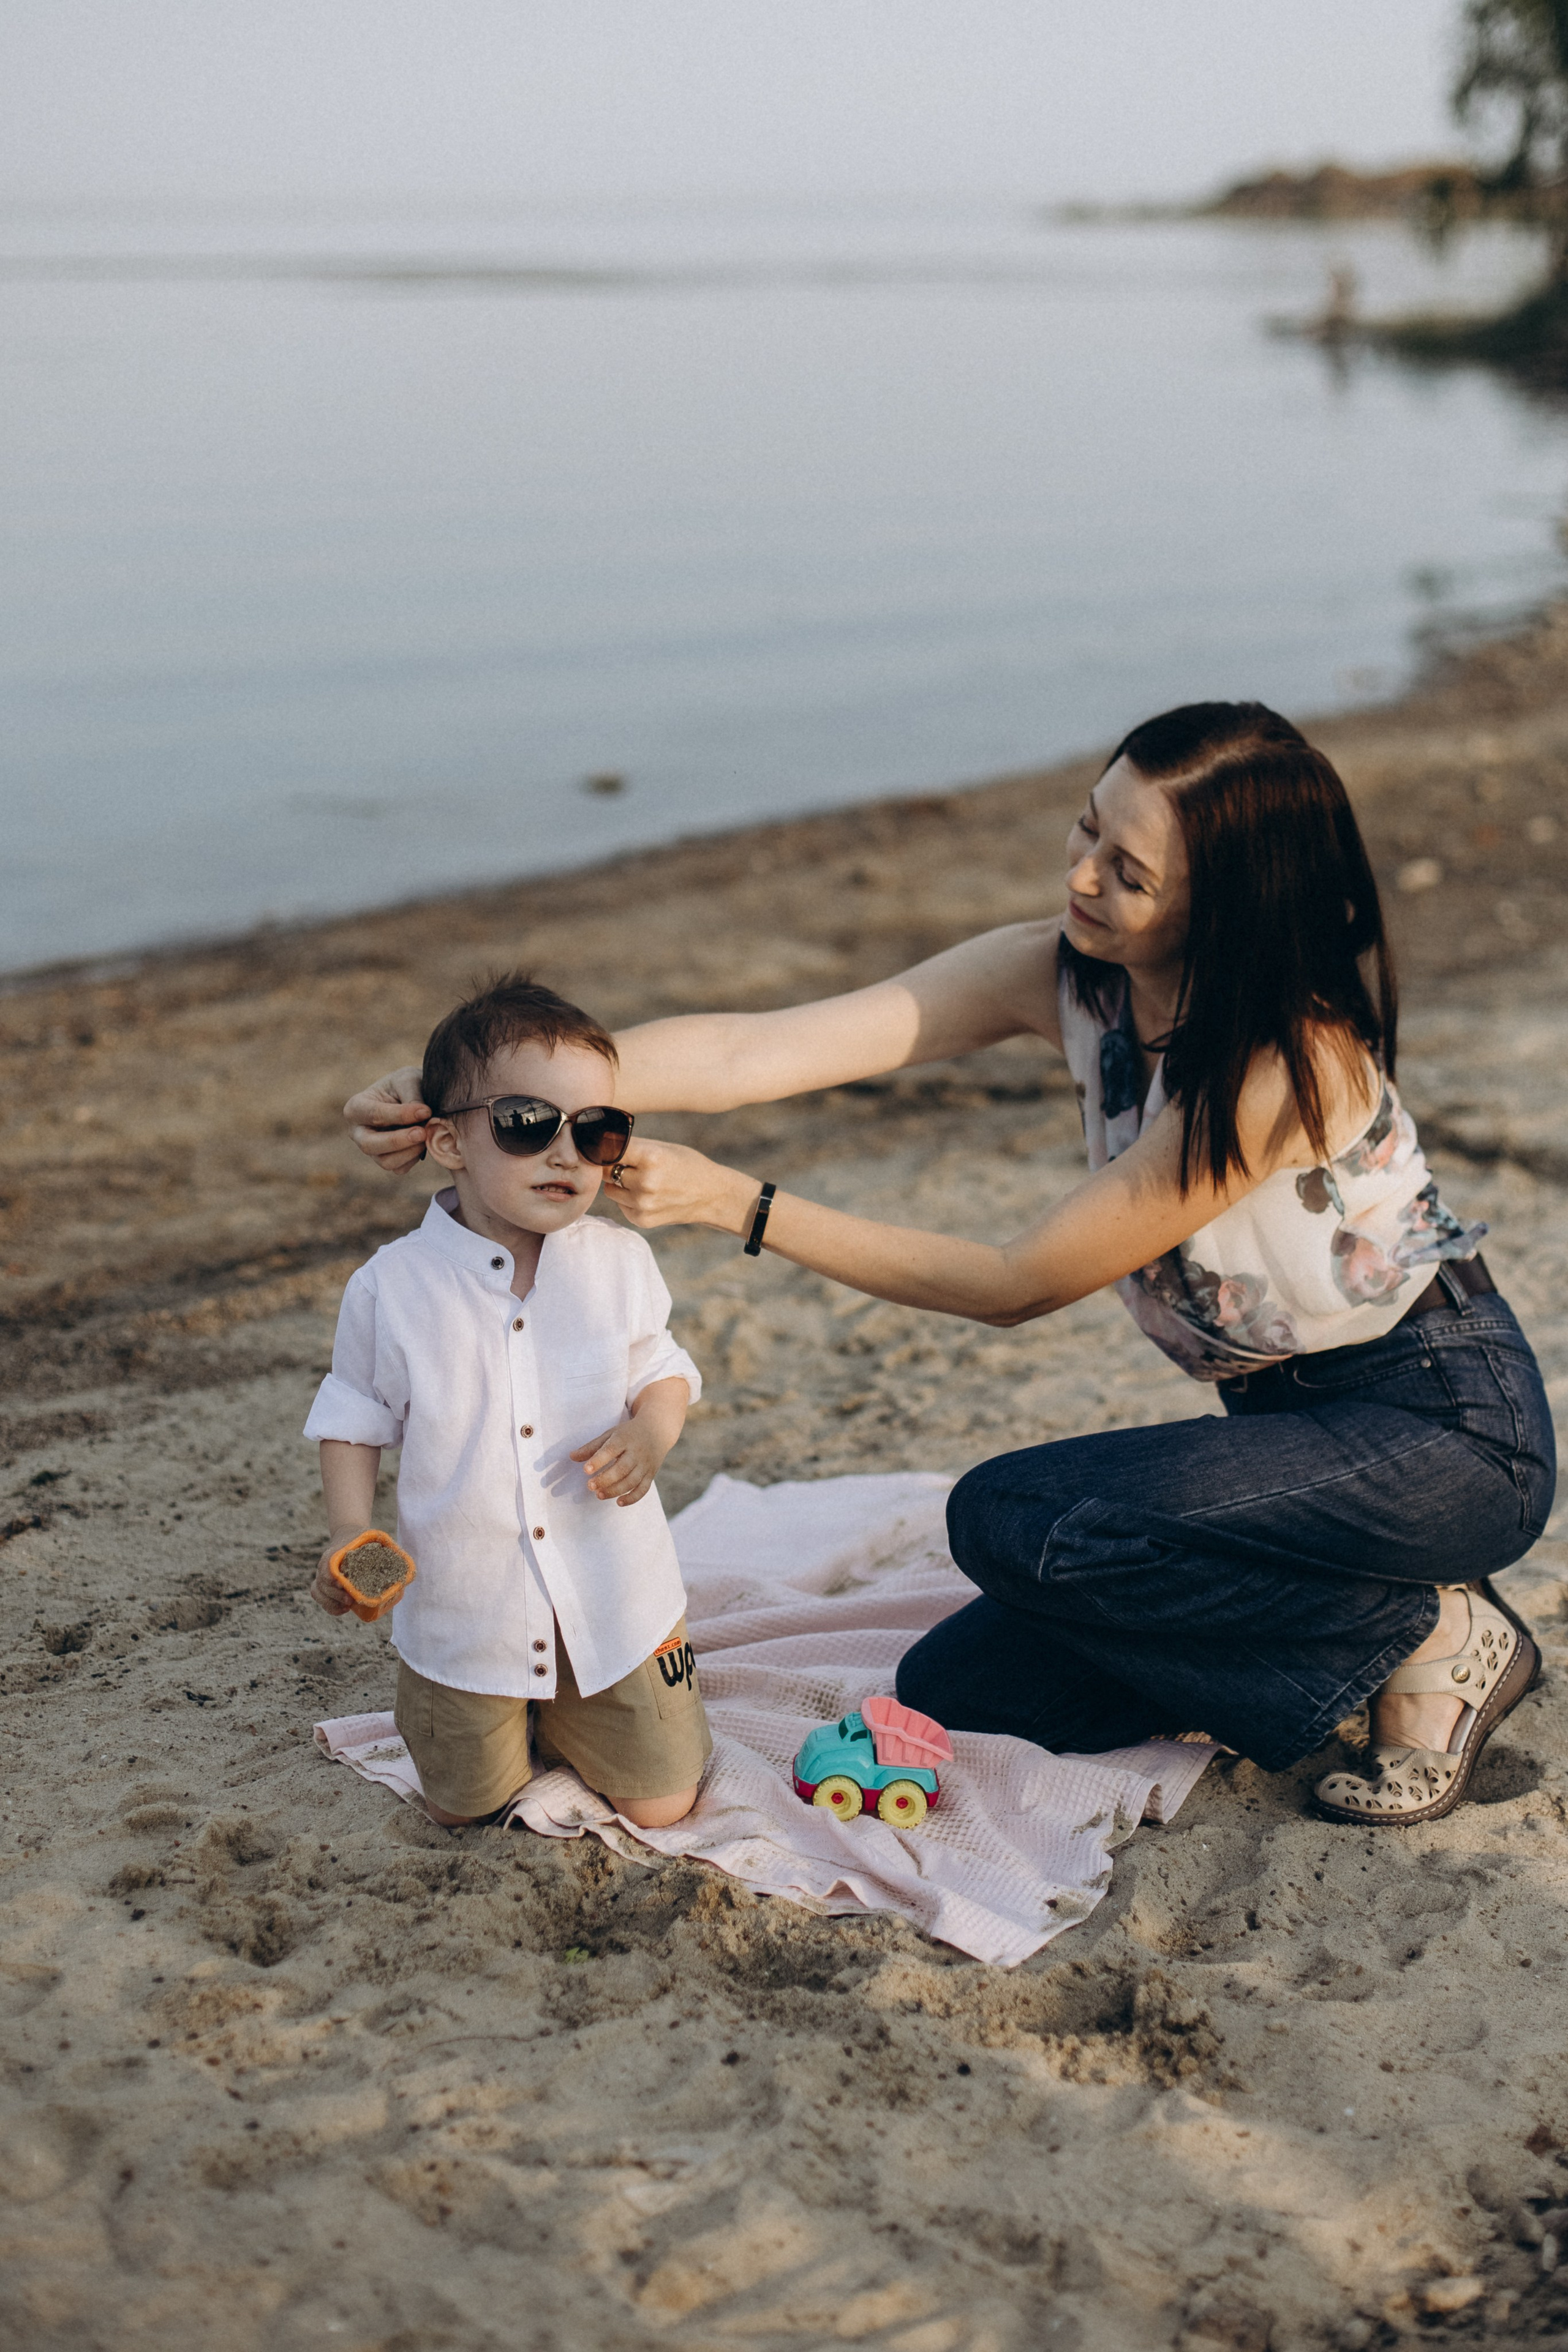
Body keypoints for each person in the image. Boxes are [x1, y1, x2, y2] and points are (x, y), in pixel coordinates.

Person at [344, 706, 1556, 1828]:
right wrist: (486, 1092)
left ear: (1226, 903)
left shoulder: (1282, 1064)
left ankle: (1417, 1630)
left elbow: (1013, 1282)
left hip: (1440, 1430)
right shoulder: (1064, 973)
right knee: (954, 1684)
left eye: (1126, 873)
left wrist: (739, 1205)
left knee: (1010, 1516)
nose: (1080, 874)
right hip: (1278, 1435)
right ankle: (1361, 1630)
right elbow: (754, 1049)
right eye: (1086, 828)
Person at [311, 975, 709, 1830]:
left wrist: (652, 1430)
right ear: (450, 1144)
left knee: (665, 1803)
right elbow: (352, 1415)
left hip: (615, 1600)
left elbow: (663, 1367)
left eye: (596, 1133)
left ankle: (575, 1714)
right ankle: (505, 1722)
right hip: (468, 1610)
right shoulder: (393, 1287)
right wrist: (349, 1529)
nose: (565, 1155)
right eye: (527, 1125)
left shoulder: (618, 1264)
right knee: (465, 1806)